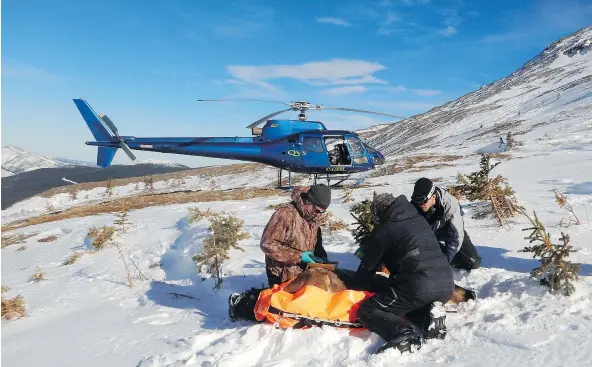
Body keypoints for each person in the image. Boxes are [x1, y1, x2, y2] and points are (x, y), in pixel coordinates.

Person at [353, 193, 454, 354]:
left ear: (380, 212)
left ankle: (402, 335)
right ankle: (429, 316)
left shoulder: (386, 228)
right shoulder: (417, 218)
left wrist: (356, 284)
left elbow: (367, 268)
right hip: (447, 284)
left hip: (419, 285)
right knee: (407, 304)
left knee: (369, 309)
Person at [259, 184, 331, 287]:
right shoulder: (285, 214)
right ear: (308, 201)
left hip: (304, 273)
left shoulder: (313, 218)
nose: (318, 214)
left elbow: (317, 243)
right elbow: (267, 244)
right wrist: (299, 256)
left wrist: (321, 257)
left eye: (322, 212)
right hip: (281, 274)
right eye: (317, 210)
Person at [411, 177, 482, 271]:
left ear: (433, 196)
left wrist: (445, 261)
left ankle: (443, 259)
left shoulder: (451, 205)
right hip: (429, 232)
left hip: (448, 230)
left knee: (473, 263)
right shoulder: (416, 203)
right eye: (417, 201)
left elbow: (455, 238)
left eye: (423, 201)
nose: (420, 204)